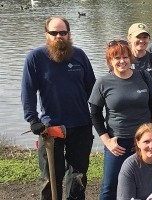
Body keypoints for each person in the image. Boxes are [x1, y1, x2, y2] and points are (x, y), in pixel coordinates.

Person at [21, 16, 96, 200]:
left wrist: (98, 116)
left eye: (63, 32)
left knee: (78, 175)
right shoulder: (35, 58)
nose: (59, 36)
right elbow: (28, 91)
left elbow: (93, 91)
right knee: (50, 178)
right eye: (54, 33)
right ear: (47, 35)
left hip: (80, 125)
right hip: (50, 129)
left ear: (69, 34)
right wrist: (33, 120)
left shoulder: (79, 55)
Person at [89, 39, 152, 200]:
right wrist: (107, 141)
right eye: (117, 58)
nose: (122, 61)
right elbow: (95, 114)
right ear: (110, 61)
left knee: (145, 183)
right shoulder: (103, 82)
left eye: (125, 57)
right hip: (118, 142)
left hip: (144, 141)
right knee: (110, 187)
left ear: (131, 58)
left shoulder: (143, 76)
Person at [128, 23, 152, 88]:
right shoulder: (123, 60)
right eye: (138, 37)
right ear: (129, 38)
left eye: (145, 37)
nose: (141, 41)